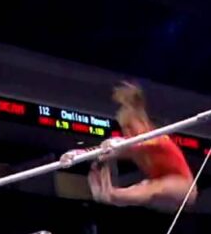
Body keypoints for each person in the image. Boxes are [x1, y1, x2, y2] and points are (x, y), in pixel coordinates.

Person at [67, 82, 197, 211]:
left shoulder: (159, 139)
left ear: (143, 123)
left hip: (184, 187)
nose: (127, 132)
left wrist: (116, 143)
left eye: (130, 126)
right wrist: (77, 154)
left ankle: (114, 195)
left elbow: (139, 144)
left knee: (154, 186)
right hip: (164, 194)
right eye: (124, 129)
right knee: (144, 186)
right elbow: (102, 151)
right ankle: (112, 196)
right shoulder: (132, 146)